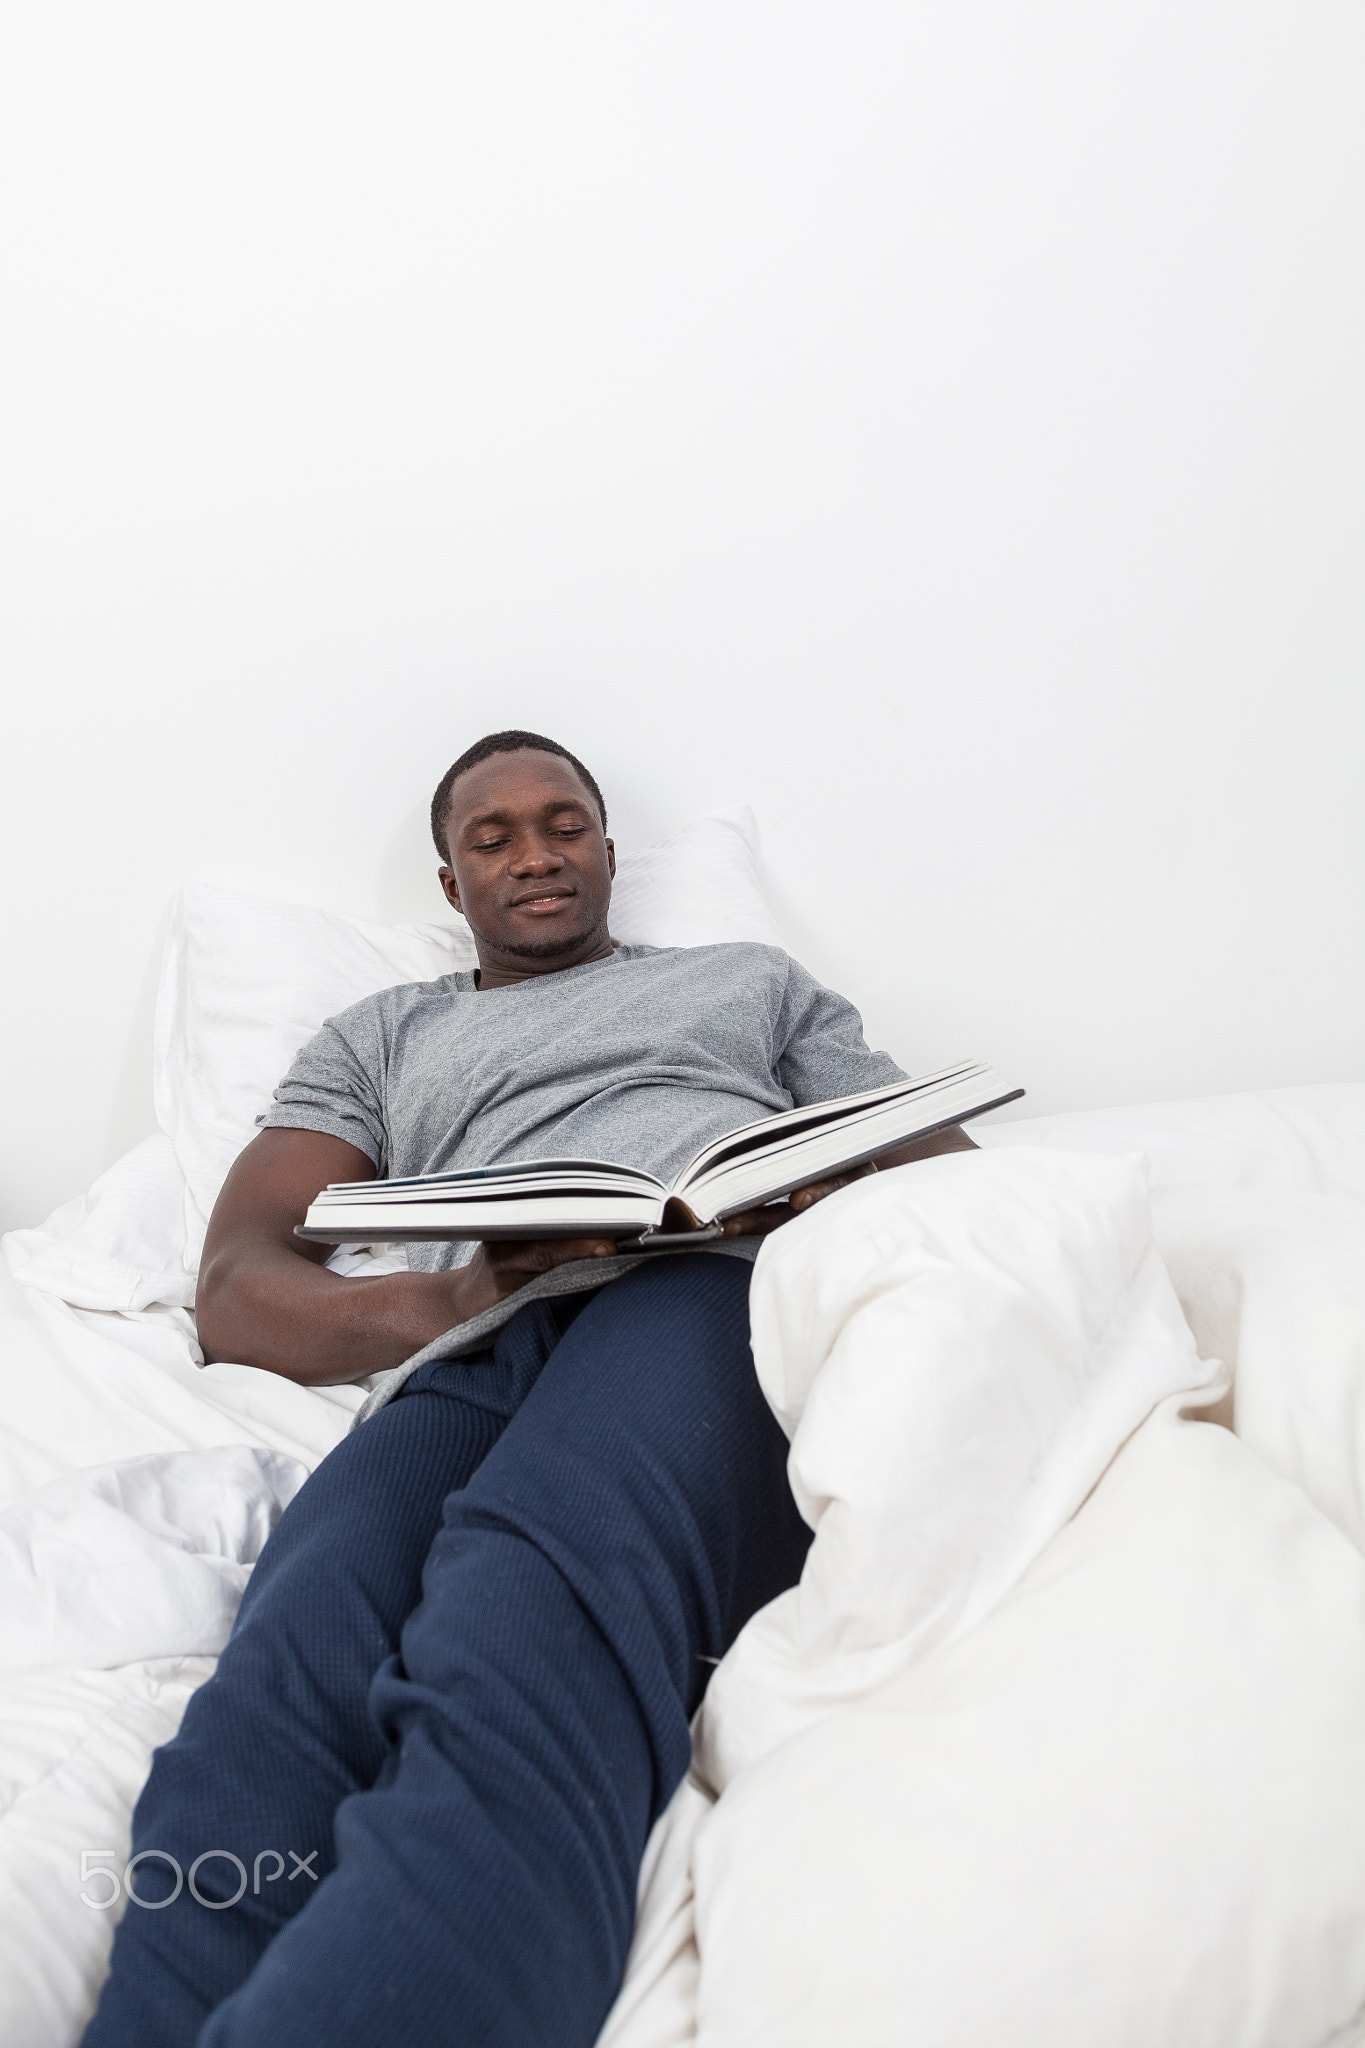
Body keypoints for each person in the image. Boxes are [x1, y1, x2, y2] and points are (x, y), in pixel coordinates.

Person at [84, 730, 973, 2048]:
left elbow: (941, 1170)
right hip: (476, 1336)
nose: (536, 853)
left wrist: (805, 1188)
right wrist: (454, 1298)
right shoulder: (384, 1034)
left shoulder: (744, 981)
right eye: (490, 837)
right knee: (285, 1665)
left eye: (563, 823)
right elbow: (237, 1286)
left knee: (519, 1607)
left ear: (608, 851)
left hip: (696, 1297)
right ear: (451, 888)